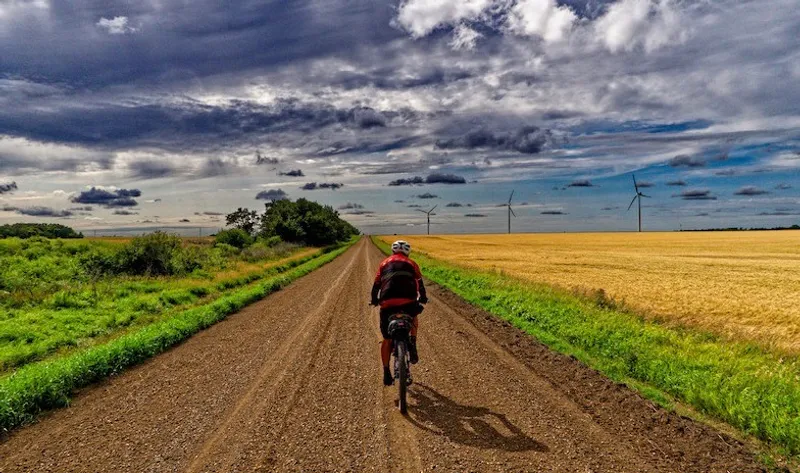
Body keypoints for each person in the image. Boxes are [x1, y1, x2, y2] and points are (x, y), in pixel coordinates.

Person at [371, 240, 428, 386]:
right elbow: (420, 284)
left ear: (393, 251)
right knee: (414, 315)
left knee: (387, 338)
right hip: (408, 301)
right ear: (407, 252)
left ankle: (386, 372)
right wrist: (423, 298)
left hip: (387, 303)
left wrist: (374, 300)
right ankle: (413, 344)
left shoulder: (384, 263)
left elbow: (377, 285)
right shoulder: (412, 263)